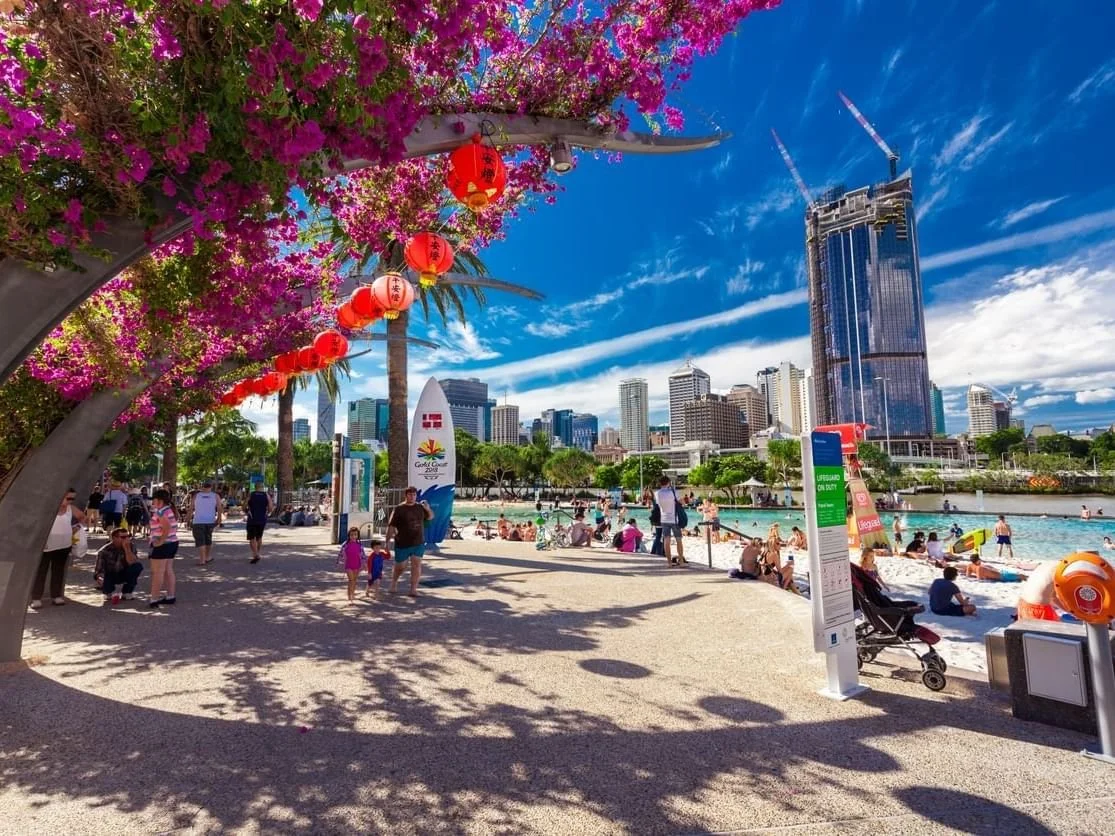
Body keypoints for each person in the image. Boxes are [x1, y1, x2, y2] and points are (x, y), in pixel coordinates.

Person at [30, 489, 85, 608]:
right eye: (68, 498)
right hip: (46, 545)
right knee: (41, 572)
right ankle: (36, 598)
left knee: (58, 571)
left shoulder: (71, 508)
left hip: (64, 545)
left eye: (72, 499)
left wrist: (76, 527)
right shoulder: (48, 508)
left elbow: (82, 516)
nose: (70, 501)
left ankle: (56, 596)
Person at [387, 487, 433, 597]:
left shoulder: (420, 507)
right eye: (410, 495)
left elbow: (431, 517)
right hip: (402, 542)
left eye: (414, 495)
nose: (412, 497)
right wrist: (387, 541)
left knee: (416, 564)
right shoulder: (399, 509)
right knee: (400, 566)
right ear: (406, 495)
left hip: (418, 542)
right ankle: (394, 581)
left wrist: (427, 508)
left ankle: (413, 589)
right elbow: (391, 526)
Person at [94, 528, 144, 604]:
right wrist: (100, 579)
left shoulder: (131, 546)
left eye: (128, 536)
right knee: (105, 580)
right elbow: (99, 569)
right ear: (114, 538)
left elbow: (132, 562)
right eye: (123, 537)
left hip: (124, 572)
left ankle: (127, 592)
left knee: (137, 566)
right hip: (110, 574)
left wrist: (127, 549)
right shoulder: (104, 551)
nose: (126, 539)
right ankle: (108, 591)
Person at [147, 488, 179, 607]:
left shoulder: (160, 512)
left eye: (154, 500)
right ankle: (170, 595)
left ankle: (154, 598)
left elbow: (166, 527)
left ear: (159, 500)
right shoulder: (168, 510)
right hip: (172, 543)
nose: (153, 502)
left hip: (163, 544)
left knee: (157, 573)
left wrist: (160, 541)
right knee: (167, 570)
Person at [653, 475, 687, 567]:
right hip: (674, 519)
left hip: (663, 519)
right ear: (669, 483)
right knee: (678, 540)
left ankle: (669, 562)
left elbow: (657, 504)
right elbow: (682, 502)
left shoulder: (657, 493)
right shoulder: (674, 492)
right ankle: (681, 562)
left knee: (666, 540)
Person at [190, 480, 222, 566]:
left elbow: (191, 508)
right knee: (208, 539)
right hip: (210, 521)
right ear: (211, 487)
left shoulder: (196, 496)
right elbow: (219, 508)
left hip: (198, 521)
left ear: (202, 486)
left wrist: (188, 518)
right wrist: (219, 518)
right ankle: (207, 557)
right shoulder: (215, 496)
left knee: (200, 541)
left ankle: (202, 559)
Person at [245, 481, 273, 564]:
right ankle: (257, 553)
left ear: (255, 487)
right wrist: (267, 513)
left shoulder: (251, 494)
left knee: (251, 537)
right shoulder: (266, 495)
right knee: (259, 537)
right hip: (262, 519)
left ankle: (255, 554)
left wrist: (245, 510)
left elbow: (244, 505)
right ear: (262, 487)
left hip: (252, 519)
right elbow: (271, 507)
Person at [337, 527, 365, 604]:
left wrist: (364, 564)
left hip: (357, 564)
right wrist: (339, 563)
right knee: (351, 580)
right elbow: (340, 554)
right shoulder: (345, 544)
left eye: (355, 535)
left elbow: (363, 555)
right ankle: (350, 596)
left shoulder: (359, 545)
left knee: (355, 581)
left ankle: (353, 593)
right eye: (351, 535)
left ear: (358, 536)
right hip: (348, 565)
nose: (353, 536)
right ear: (349, 535)